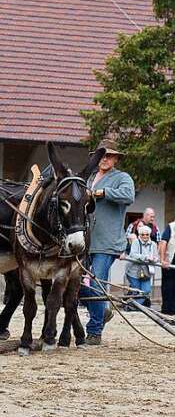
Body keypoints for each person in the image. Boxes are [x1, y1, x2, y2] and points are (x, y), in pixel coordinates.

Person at [79, 140, 136, 345]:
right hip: (85, 240)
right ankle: (102, 311)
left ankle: (94, 332)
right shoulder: (90, 178)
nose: (104, 159)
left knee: (96, 285)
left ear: (116, 159)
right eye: (101, 155)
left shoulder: (122, 177)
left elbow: (129, 196)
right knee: (73, 284)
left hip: (108, 241)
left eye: (109, 156)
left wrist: (105, 193)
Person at [123, 225, 159, 307]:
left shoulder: (153, 244)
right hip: (133, 271)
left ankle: (131, 306)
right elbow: (133, 254)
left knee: (146, 291)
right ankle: (133, 307)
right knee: (137, 291)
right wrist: (146, 257)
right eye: (143, 234)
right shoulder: (136, 242)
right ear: (139, 235)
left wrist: (154, 259)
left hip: (146, 272)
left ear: (149, 235)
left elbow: (157, 257)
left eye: (147, 234)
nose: (145, 236)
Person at [161, 215, 175, 315]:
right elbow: (163, 243)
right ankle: (167, 313)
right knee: (168, 289)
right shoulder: (171, 227)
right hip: (169, 261)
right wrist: (162, 260)